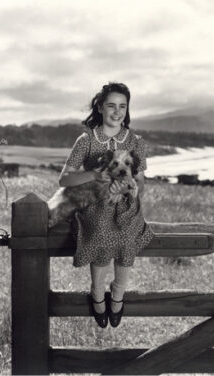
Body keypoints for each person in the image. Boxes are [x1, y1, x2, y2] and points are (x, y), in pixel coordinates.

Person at [59, 82, 153, 328]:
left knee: (126, 239)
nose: (117, 111)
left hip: (126, 205)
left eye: (123, 106)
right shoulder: (87, 140)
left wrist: (131, 187)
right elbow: (65, 179)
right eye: (111, 105)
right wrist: (94, 175)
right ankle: (98, 293)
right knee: (100, 232)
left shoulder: (135, 141)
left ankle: (119, 292)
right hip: (95, 204)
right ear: (100, 107)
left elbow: (141, 182)